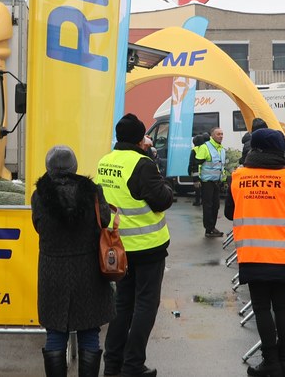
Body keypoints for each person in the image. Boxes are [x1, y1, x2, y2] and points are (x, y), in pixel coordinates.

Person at [225, 128, 285, 377]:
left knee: (262, 308)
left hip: (253, 254)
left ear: (254, 148)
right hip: (284, 255)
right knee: (283, 307)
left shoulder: (239, 176)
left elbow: (228, 213)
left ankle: (270, 362)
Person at [96, 114, 173, 377]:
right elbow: (162, 200)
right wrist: (156, 170)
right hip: (147, 247)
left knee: (122, 304)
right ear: (141, 138)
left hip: (117, 246)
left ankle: (113, 363)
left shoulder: (105, 161)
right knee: (145, 305)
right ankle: (133, 364)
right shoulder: (142, 164)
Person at [33, 146, 115, 377]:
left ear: (49, 168)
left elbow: (39, 226)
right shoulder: (93, 192)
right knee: (90, 331)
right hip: (88, 270)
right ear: (75, 166)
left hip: (53, 271)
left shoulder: (40, 195)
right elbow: (105, 220)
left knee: (55, 333)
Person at [192, 127, 228, 237]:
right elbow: (196, 163)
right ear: (212, 136)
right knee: (208, 206)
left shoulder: (221, 149)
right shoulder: (205, 147)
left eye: (222, 134)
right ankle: (208, 229)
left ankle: (212, 227)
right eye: (218, 134)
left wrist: (224, 181)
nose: (221, 136)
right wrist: (196, 179)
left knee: (216, 206)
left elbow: (222, 167)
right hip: (206, 182)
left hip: (216, 182)